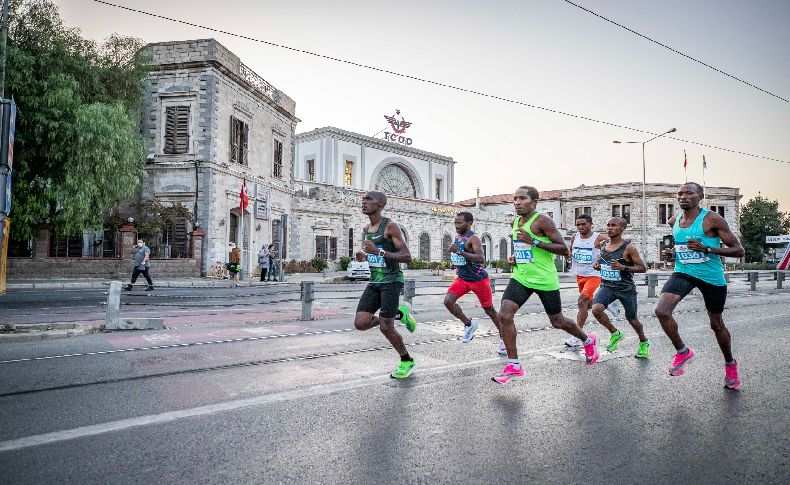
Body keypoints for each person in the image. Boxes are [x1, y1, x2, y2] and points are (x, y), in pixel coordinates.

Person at [493, 186, 599, 385]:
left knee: (557, 321)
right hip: (521, 277)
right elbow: (523, 247)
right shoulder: (515, 221)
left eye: (522, 198)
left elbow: (563, 249)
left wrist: (534, 241)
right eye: (515, 198)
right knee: (504, 315)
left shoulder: (543, 221)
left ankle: (587, 340)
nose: (517, 202)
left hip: (544, 280)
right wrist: (516, 256)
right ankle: (514, 365)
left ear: (534, 202)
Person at [655, 182, 745, 389]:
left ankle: (730, 365)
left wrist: (708, 249)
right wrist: (673, 254)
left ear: (701, 196)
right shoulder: (674, 220)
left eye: (689, 193)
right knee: (661, 311)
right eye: (680, 194)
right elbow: (681, 246)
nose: (683, 197)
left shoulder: (712, 219)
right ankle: (682, 352)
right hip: (683, 272)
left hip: (711, 277)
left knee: (716, 324)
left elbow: (739, 250)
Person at [354, 191, 418, 379]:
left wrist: (378, 253)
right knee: (360, 323)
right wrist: (365, 256)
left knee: (385, 327)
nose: (364, 203)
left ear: (380, 204)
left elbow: (407, 257)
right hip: (374, 281)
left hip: (391, 281)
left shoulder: (390, 227)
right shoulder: (367, 229)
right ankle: (400, 313)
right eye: (363, 200)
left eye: (368, 200)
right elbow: (375, 254)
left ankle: (407, 361)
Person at [590, 217, 651, 357]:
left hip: (625, 288)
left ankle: (643, 341)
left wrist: (622, 267)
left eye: (614, 225)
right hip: (607, 286)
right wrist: (597, 264)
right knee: (596, 309)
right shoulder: (604, 244)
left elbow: (643, 268)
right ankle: (615, 333)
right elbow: (603, 257)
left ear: (622, 229)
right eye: (608, 225)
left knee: (632, 319)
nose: (609, 228)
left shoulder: (629, 248)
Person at [444, 211, 503, 351]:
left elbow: (481, 258)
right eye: (455, 223)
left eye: (460, 223)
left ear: (469, 223)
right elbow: (463, 257)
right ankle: (469, 324)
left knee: (489, 310)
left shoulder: (473, 238)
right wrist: (456, 263)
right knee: (448, 301)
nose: (456, 226)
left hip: (478, 280)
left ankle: (503, 337)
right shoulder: (458, 236)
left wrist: (459, 252)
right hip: (463, 279)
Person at [564, 213, 620, 348]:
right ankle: (607, 306)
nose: (580, 227)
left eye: (583, 224)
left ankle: (577, 336)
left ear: (591, 224)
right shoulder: (574, 237)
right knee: (588, 305)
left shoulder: (598, 237)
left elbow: (615, 243)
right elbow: (571, 251)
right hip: (580, 274)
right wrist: (568, 255)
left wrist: (606, 256)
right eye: (578, 225)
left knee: (581, 301)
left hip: (594, 275)